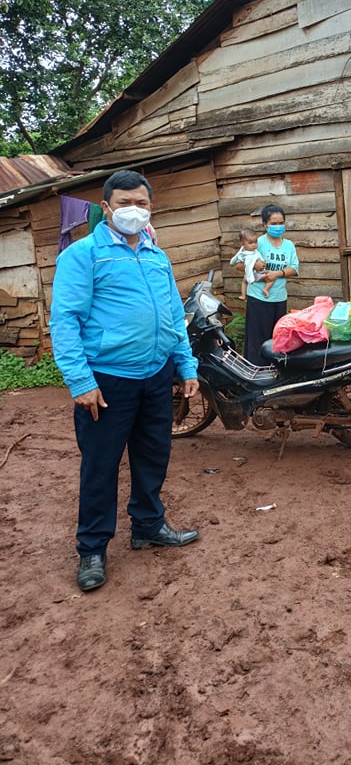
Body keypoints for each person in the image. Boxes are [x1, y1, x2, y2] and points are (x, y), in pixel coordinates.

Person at [49, 170, 200, 593]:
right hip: (107, 382)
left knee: (153, 454)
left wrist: (185, 365)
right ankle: (92, 548)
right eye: (124, 203)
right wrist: (80, 382)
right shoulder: (83, 255)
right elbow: (65, 321)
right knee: (100, 465)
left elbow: (173, 316)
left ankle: (148, 525)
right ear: (106, 207)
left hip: (155, 376)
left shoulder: (156, 255)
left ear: (150, 206)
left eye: (141, 203)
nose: (133, 210)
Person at [243, 204, 299, 365]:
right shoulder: (257, 243)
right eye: (273, 224)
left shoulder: (288, 245)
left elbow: (294, 268)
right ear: (264, 225)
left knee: (277, 340)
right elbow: (239, 264)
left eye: (281, 223)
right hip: (258, 299)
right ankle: (255, 375)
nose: (278, 226)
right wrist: (254, 265)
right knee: (257, 341)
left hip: (279, 298)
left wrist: (278, 273)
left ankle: (274, 376)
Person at [230, 227, 269, 299]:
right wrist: (232, 262)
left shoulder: (256, 252)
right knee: (246, 280)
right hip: (251, 275)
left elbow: (260, 258)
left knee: (245, 281)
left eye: (255, 242)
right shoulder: (243, 253)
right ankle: (243, 295)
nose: (254, 245)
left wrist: (263, 263)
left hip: (255, 273)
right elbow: (237, 258)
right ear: (243, 244)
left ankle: (264, 288)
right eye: (250, 243)